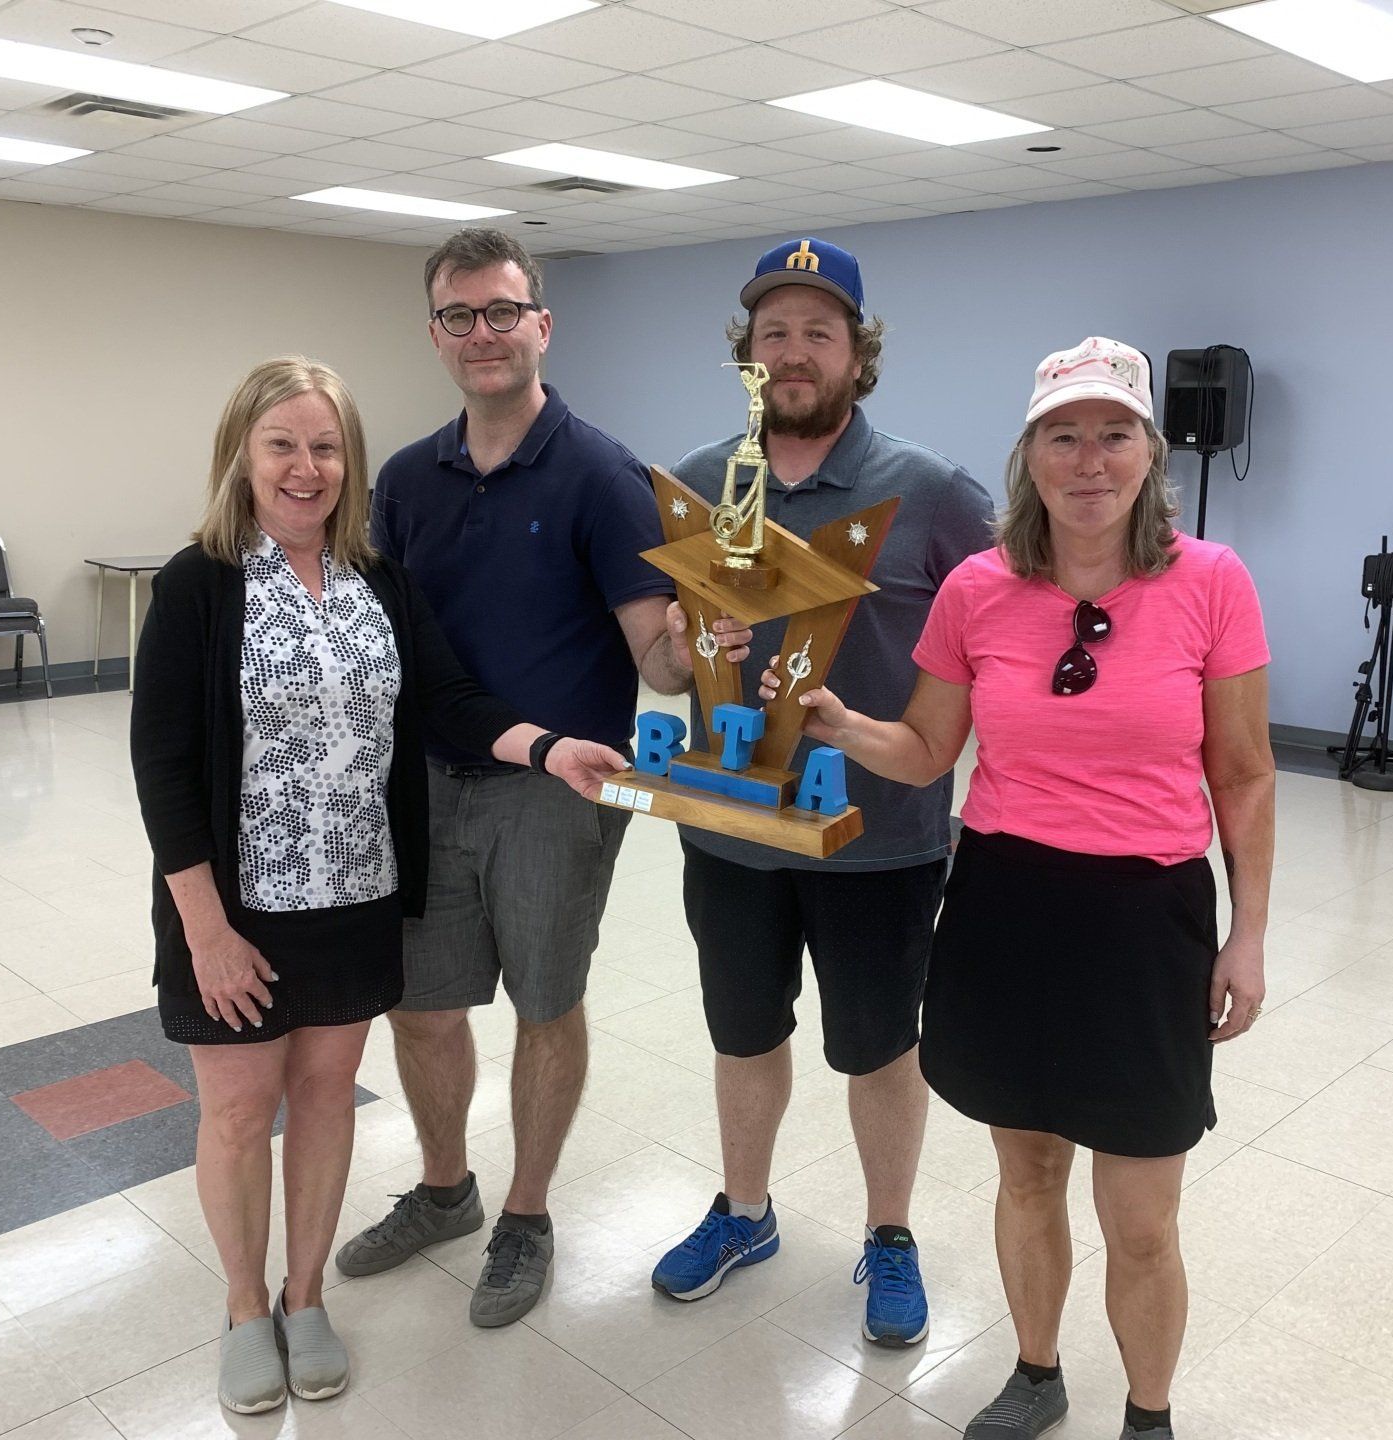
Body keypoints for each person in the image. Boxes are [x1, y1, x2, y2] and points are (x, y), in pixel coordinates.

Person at [759, 337, 1273, 1440]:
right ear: (1029, 454)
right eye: (1063, 436)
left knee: (1142, 1216)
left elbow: (1243, 773)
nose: (1089, 460)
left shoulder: (1212, 582)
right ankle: (1036, 1373)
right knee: (1029, 1169)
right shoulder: (978, 589)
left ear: (1150, 451)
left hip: (1148, 917)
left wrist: (1248, 936)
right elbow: (927, 752)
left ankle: (1148, 1416)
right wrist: (841, 726)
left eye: (1114, 434)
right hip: (1006, 905)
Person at [131, 356, 625, 1416]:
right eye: (282, 444)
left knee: (323, 1102)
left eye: (325, 447)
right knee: (238, 1114)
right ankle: (243, 1308)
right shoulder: (198, 584)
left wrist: (548, 749)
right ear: (241, 455)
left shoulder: (379, 583)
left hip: (355, 895)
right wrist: (205, 931)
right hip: (236, 908)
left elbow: (450, 699)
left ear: (349, 463)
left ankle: (304, 1296)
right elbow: (163, 769)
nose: (305, 467)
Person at [335, 227, 727, 1326]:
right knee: (421, 1006)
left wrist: (695, 643)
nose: (484, 334)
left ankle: (526, 1213)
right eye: (460, 315)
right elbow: (380, 640)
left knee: (546, 1004)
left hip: (559, 791)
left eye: (503, 312)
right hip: (425, 785)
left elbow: (657, 663)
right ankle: (445, 1189)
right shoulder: (405, 480)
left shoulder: (604, 476)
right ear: (436, 335)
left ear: (541, 326)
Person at [650, 237, 995, 1349]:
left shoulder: (932, 493)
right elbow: (667, 662)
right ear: (747, 354)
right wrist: (679, 645)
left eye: (818, 333)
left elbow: (999, 639)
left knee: (880, 1049)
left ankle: (889, 1234)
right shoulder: (700, 482)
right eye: (773, 334)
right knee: (743, 1034)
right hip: (733, 832)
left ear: (857, 352)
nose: (794, 353)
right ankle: (744, 1212)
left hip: (880, 838)